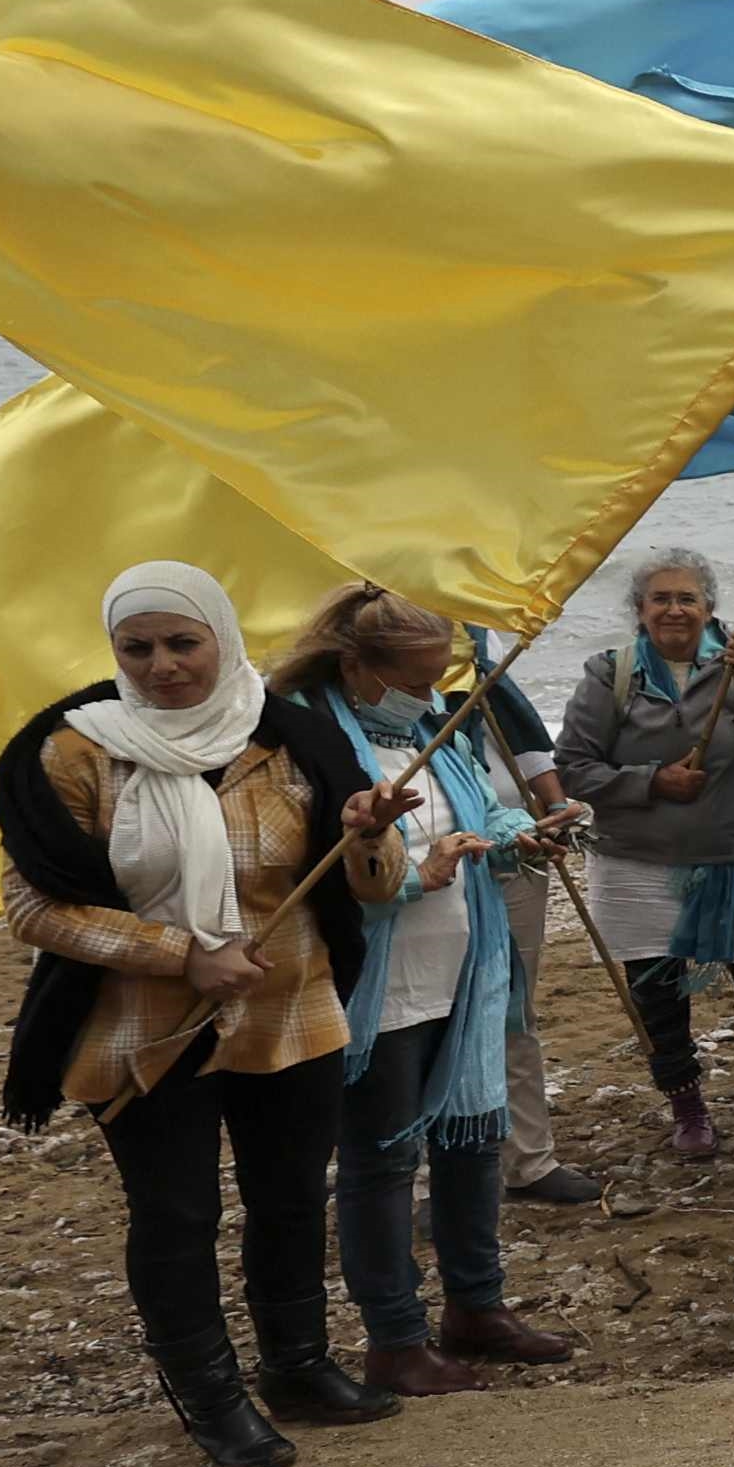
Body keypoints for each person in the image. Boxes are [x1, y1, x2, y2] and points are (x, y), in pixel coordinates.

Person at [0, 565, 410, 1467]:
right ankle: (212, 1400)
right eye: (136, 647)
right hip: (145, 1028)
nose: (163, 665)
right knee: (177, 1212)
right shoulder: (75, 753)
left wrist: (371, 835)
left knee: (293, 1195)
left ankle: (298, 1366)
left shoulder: (293, 737)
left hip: (291, 1009)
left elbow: (373, 890)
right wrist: (181, 953)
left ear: (221, 636)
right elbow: (34, 909)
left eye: (183, 643)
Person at [273, 586, 587, 1397]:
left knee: (472, 1143)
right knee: (381, 1159)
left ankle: (476, 1306)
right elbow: (301, 875)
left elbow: (480, 811)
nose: (428, 690)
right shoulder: (304, 738)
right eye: (413, 675)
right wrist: (415, 873)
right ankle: (396, 1338)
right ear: (355, 667)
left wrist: (525, 836)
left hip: (463, 969)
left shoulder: (428, 729)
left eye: (436, 671)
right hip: (375, 986)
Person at [552, 549, 734, 1162]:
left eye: (688, 599)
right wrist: (652, 781)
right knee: (658, 994)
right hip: (633, 862)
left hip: (728, 855)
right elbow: (573, 767)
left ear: (710, 610)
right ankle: (688, 1107)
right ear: (640, 611)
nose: (675, 609)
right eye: (661, 599)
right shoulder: (610, 674)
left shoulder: (732, 668)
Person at [464, 641, 597, 1208]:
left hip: (516, 849)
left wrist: (554, 811)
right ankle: (427, 1178)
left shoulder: (472, 640)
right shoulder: (366, 667)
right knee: (426, 1022)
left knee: (513, 1005)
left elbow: (518, 734)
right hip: (432, 862)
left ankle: (528, 1160)